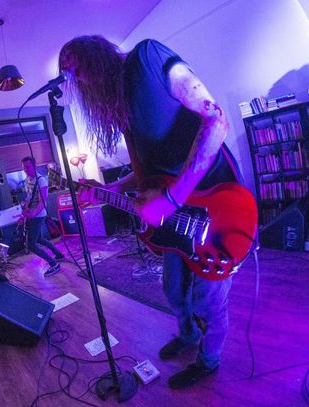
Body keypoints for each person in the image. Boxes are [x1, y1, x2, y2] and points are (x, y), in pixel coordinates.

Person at [58, 36, 238, 388]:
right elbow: (151, 174)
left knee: (207, 299)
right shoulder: (123, 105)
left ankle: (209, 359)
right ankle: (188, 336)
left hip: (215, 203)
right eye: (73, 76)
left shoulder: (148, 59)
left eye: (80, 69)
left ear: (98, 55)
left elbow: (216, 120)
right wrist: (114, 188)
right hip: (177, 215)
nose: (81, 81)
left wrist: (171, 199)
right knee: (173, 290)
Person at [20, 156, 65, 277]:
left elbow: (43, 201)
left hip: (38, 215)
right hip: (32, 214)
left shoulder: (41, 181)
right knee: (39, 239)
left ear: (34, 166)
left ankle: (54, 264)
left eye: (27, 167)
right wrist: (25, 207)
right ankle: (59, 255)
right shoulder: (28, 179)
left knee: (31, 245)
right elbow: (29, 197)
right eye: (24, 167)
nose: (25, 169)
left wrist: (33, 213)